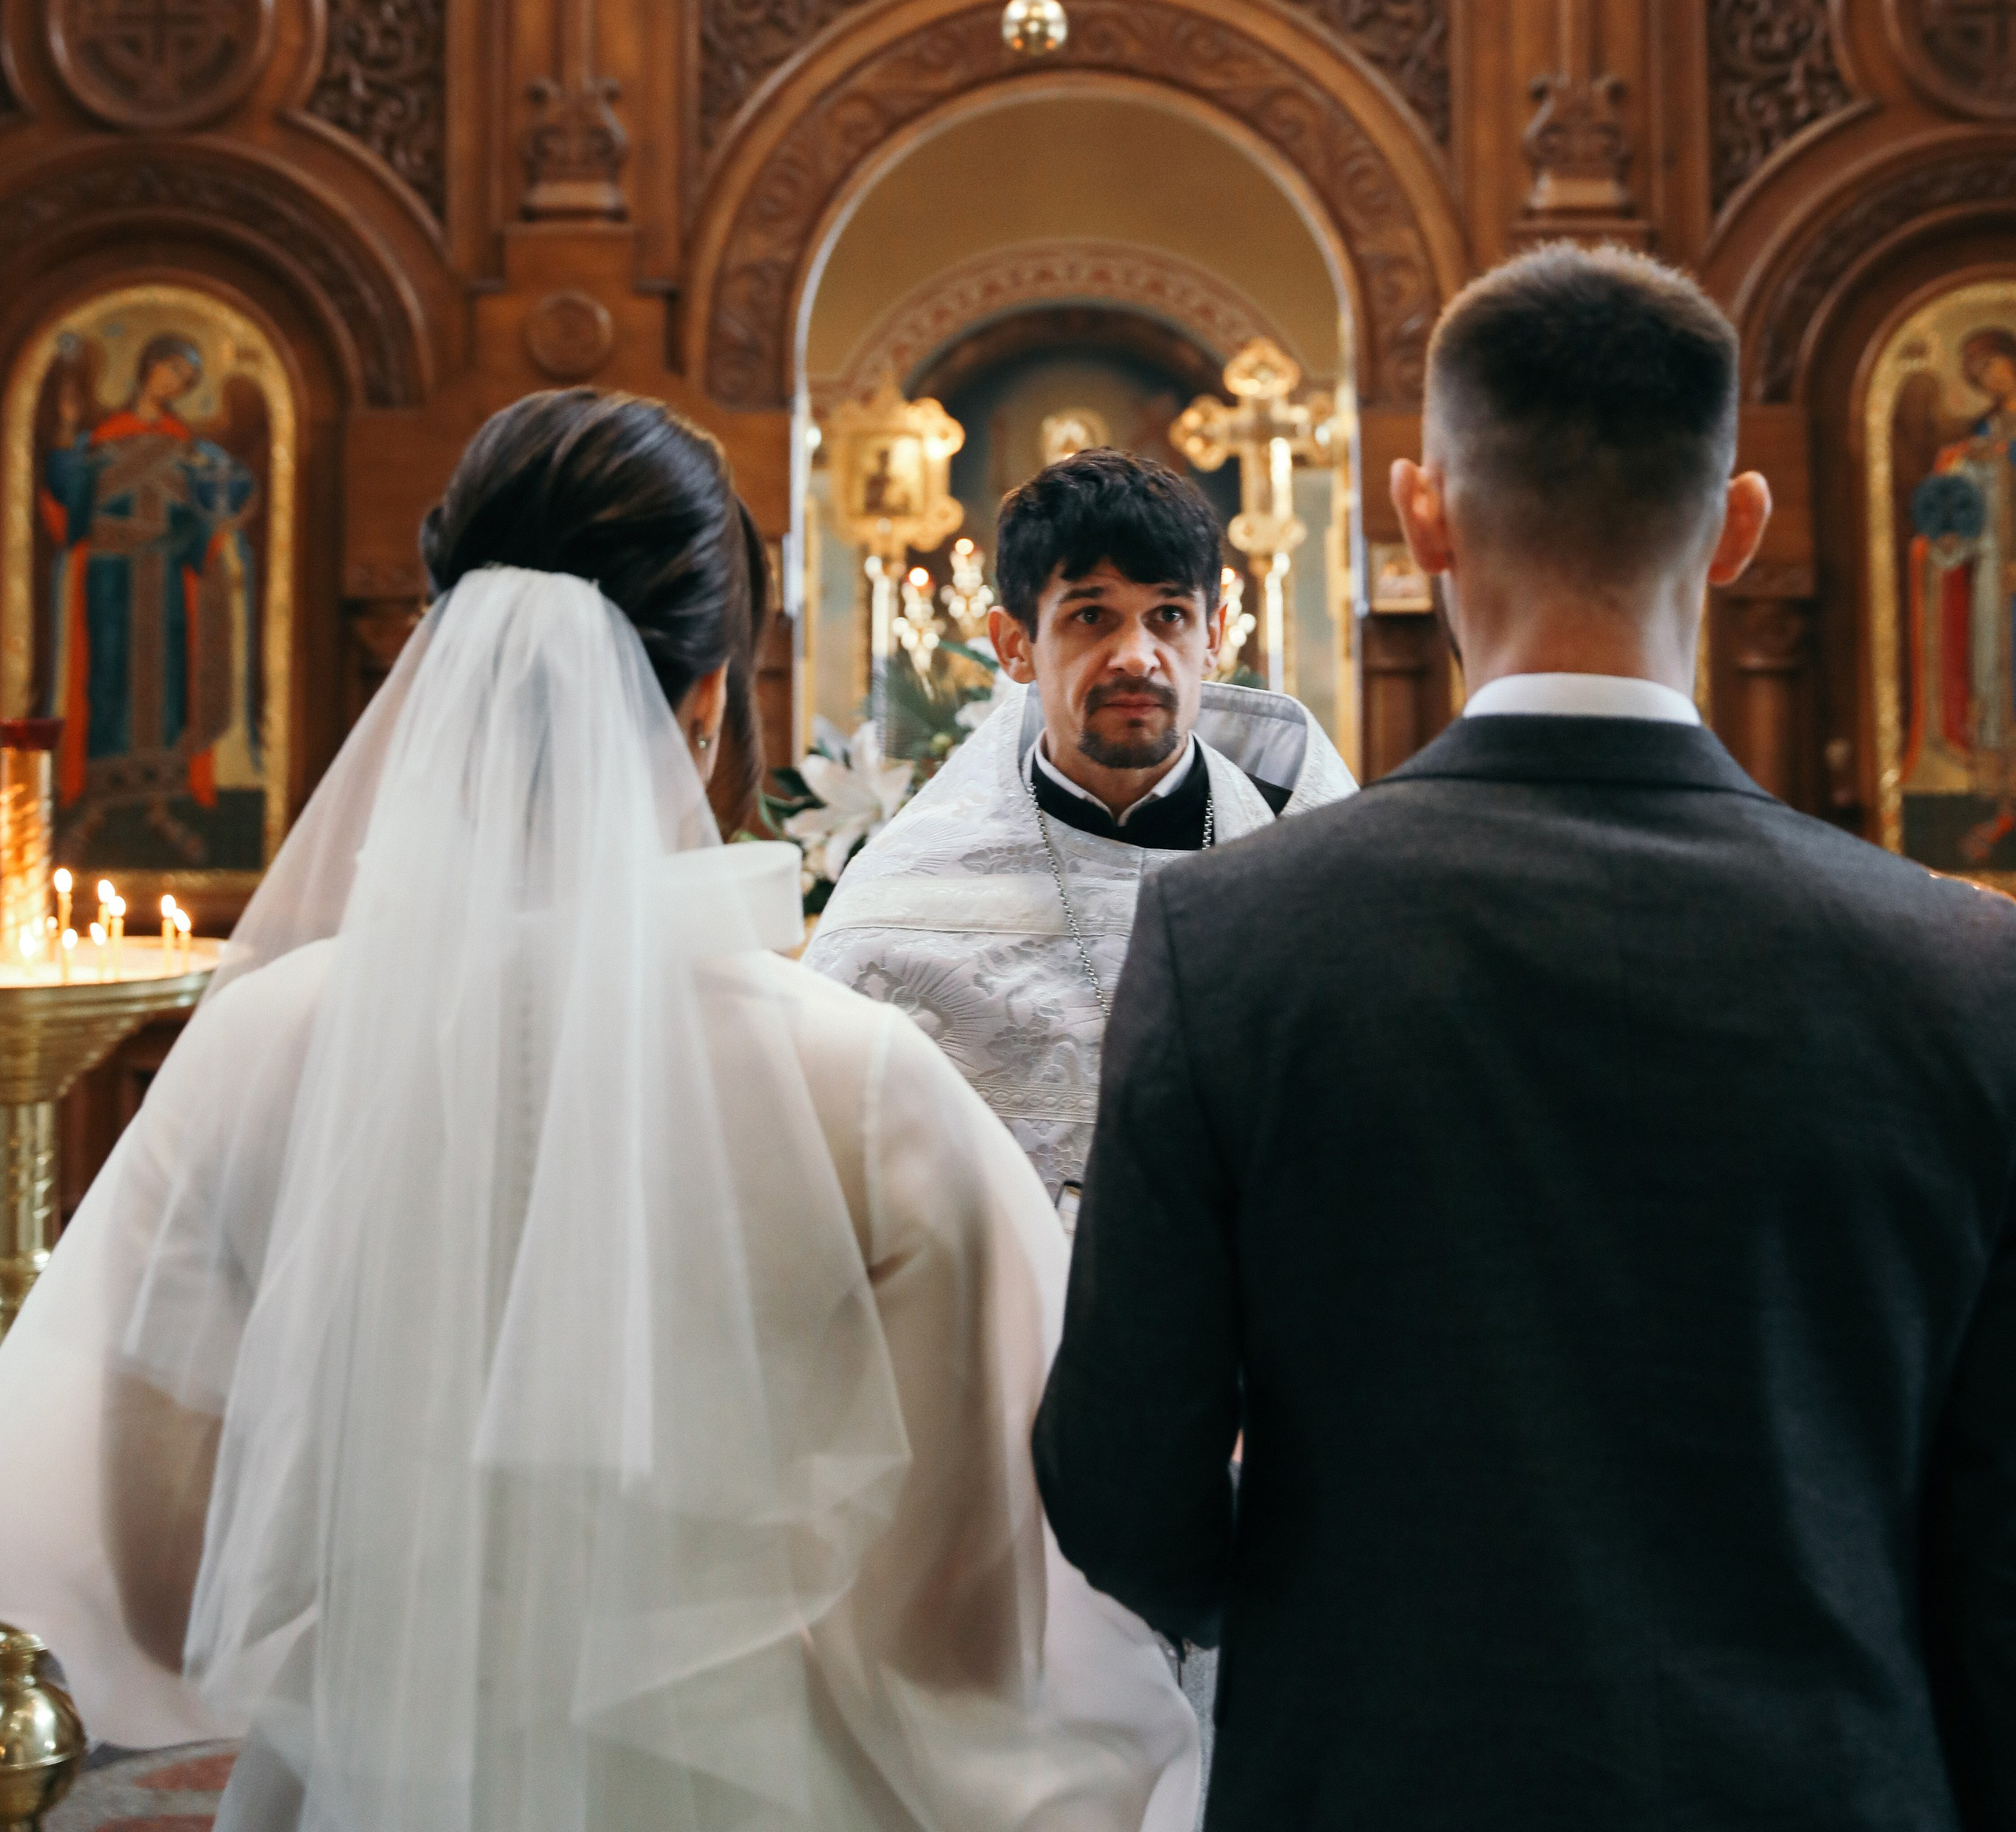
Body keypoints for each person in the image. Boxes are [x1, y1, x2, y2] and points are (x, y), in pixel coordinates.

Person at [0, 390, 1195, 1832]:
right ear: (704, 707)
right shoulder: (862, 1088)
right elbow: (968, 1639)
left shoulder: (261, 1050)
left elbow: (160, 1578)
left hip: (366, 1787)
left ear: (439, 672)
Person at [1035, 242, 2016, 1832]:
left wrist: (1327, 1604)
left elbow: (1118, 1491)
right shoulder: (1963, 973)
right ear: (1740, 529)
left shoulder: (1233, 944)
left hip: (1375, 1775)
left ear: (1420, 517)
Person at [804, 448, 1354, 1214]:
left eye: (1168, 616)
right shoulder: (900, 901)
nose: (1136, 656)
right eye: (1090, 617)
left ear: (1215, 632)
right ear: (1013, 644)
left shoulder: (1323, 872)